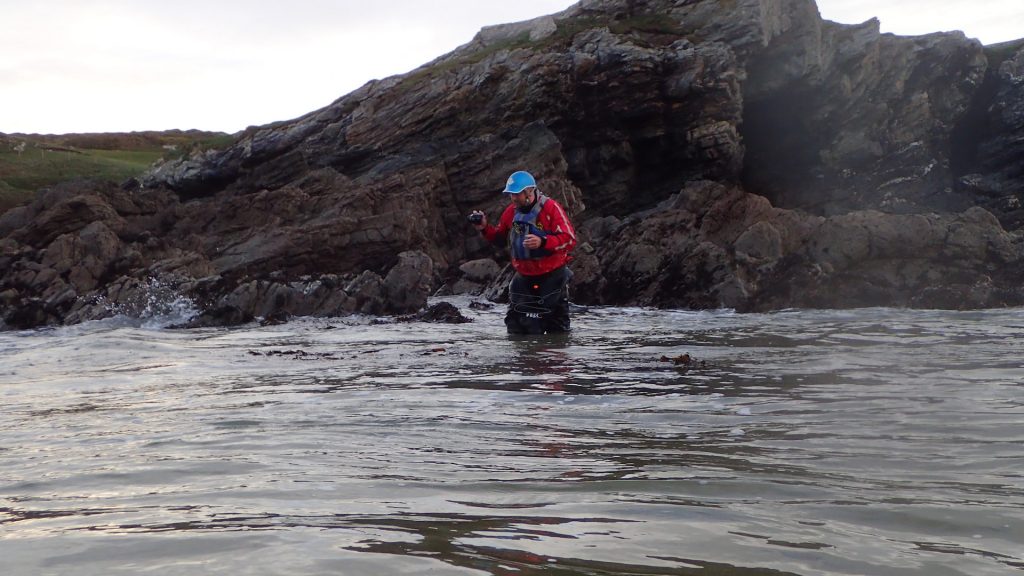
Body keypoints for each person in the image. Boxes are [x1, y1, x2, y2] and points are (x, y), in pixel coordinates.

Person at [469, 170, 577, 334]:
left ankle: (555, 349)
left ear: (529, 191)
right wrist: (484, 228)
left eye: (517, 194)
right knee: (515, 324)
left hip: (552, 276)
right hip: (524, 276)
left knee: (554, 327)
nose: (513, 198)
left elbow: (569, 239)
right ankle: (521, 351)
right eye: (511, 194)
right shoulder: (511, 212)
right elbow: (500, 239)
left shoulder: (551, 208)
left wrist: (543, 241)